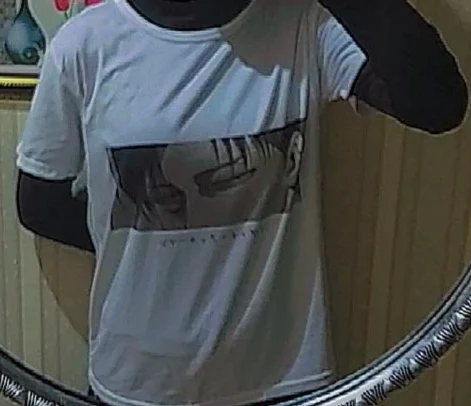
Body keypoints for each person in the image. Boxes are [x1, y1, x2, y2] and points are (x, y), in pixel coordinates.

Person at [15, 0, 467, 405]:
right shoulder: (85, 45)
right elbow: (39, 204)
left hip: (284, 379)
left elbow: (437, 104)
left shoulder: (302, 25)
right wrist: (144, 243)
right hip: (138, 383)